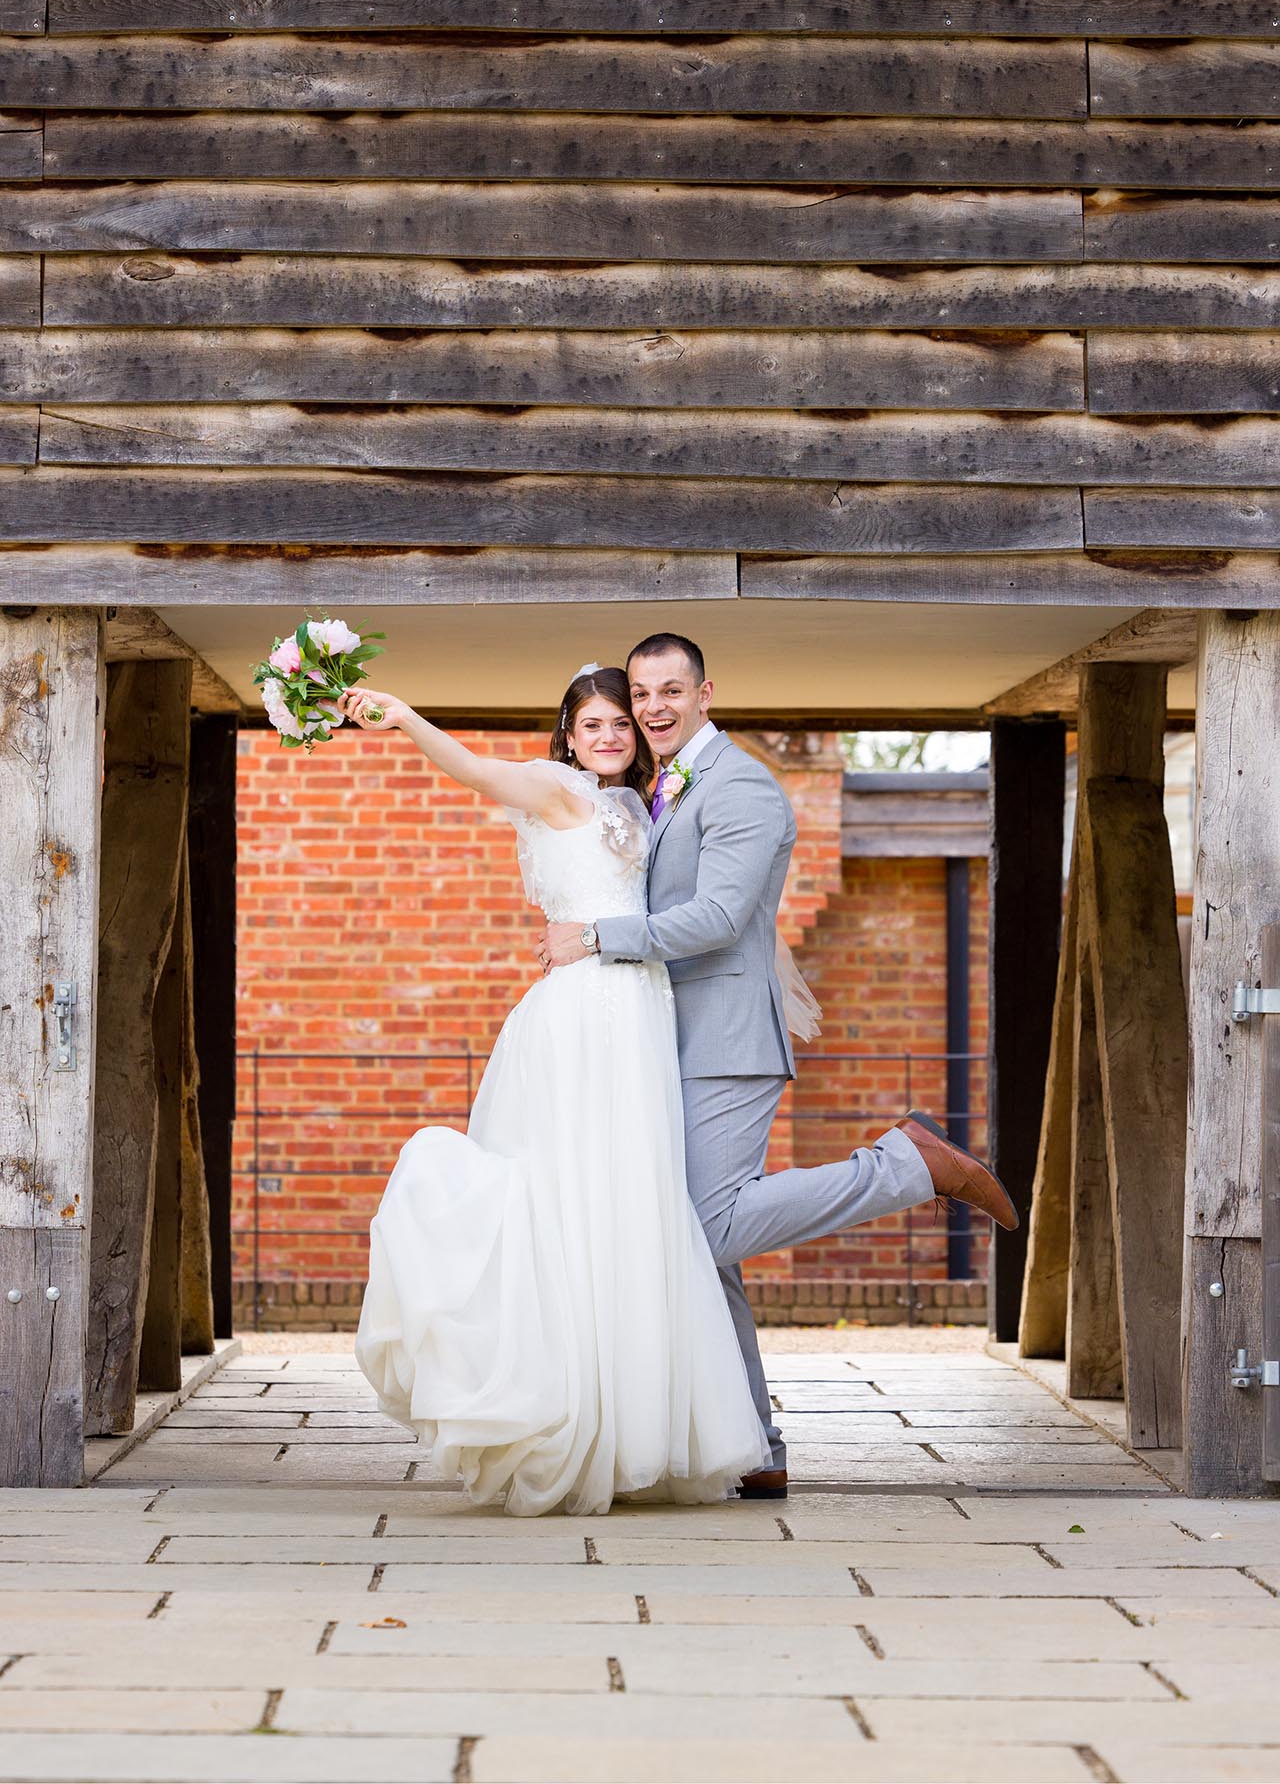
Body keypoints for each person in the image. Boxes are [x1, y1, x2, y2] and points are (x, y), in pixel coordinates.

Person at [537, 633, 1019, 1498]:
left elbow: (721, 917)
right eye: (641, 692)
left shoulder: (745, 788)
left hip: (725, 1041)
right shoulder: (665, 787)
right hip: (660, 1040)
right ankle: (755, 1445)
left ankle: (907, 1165)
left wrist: (597, 938)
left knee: (706, 1230)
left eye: (670, 690)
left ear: (705, 693)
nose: (652, 707)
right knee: (699, 1256)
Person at [339, 665, 773, 1517]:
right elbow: (472, 770)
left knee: (628, 1209)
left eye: (622, 722)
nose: (611, 735)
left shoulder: (636, 803)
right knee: (569, 1201)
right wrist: (406, 716)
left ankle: (630, 1425)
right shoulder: (554, 787)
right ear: (567, 734)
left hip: (641, 1012)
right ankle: (558, 1412)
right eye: (594, 724)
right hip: (583, 1015)